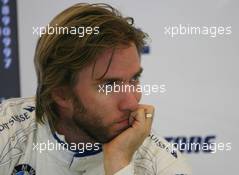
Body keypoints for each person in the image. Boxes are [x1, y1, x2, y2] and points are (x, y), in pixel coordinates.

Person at [0, 3, 191, 175]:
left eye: (134, 79)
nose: (133, 102)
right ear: (61, 93)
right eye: (110, 85)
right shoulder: (8, 131)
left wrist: (119, 163)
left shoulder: (162, 164)